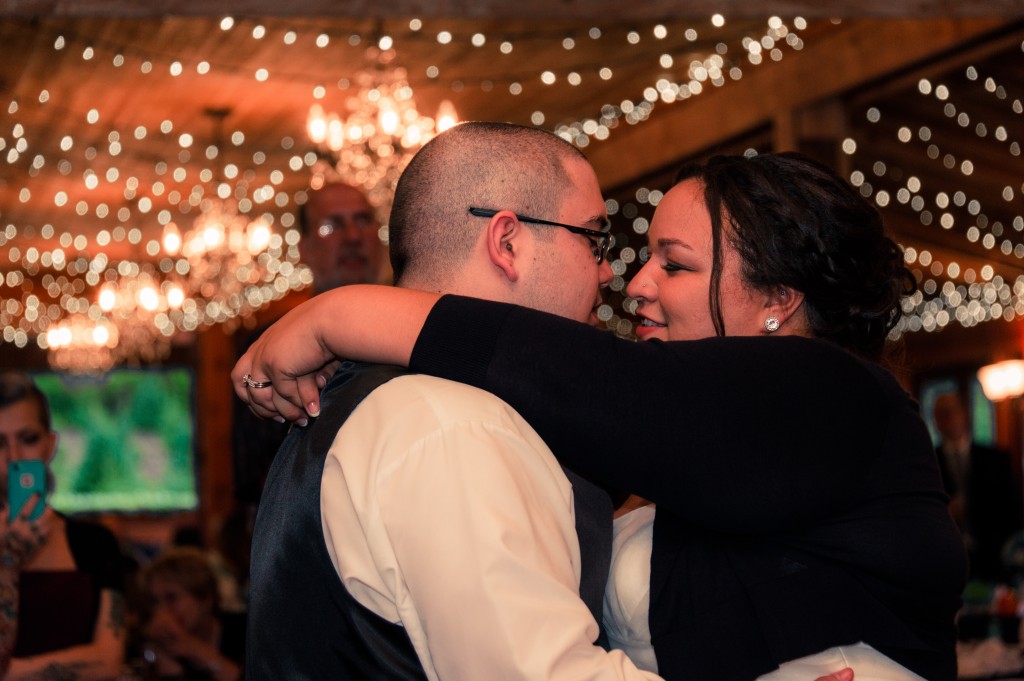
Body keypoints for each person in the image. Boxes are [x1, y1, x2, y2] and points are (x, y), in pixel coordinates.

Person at [235, 150, 967, 680]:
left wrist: (344, 312)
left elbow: (591, 379)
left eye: (675, 265)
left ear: (779, 300)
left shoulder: (836, 394)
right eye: (621, 249)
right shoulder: (455, 425)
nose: (632, 283)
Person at [232, 180, 389, 505]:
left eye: (362, 220)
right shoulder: (270, 341)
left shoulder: (407, 328)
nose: (352, 236)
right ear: (304, 249)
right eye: (332, 226)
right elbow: (250, 472)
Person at [0, 370, 126, 680]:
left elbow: (109, 662)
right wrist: (7, 562)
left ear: (50, 444)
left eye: (28, 439)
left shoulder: (95, 544)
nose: (13, 456)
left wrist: (11, 672)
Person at [933, 391, 1022, 582]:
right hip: (946, 561)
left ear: (964, 414)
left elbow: (1012, 509)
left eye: (951, 411)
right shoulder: (929, 463)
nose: (948, 418)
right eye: (941, 414)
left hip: (993, 559)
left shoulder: (996, 459)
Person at [133, 547, 245, 681]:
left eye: (171, 598)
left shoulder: (244, 630)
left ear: (205, 599)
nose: (161, 611)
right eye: (154, 601)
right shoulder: (149, 644)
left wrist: (195, 650)